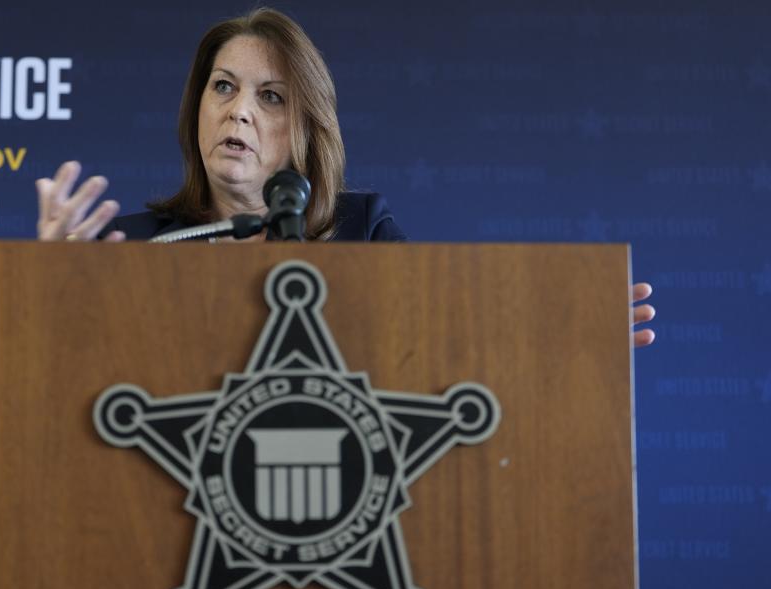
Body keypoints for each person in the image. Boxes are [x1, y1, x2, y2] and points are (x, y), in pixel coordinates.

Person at [34, 7, 654, 346]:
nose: (238, 109)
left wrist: (563, 334)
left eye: (270, 97)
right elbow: (66, 390)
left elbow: (446, 340)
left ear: (307, 129)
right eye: (222, 86)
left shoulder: (361, 230)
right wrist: (46, 293)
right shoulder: (133, 248)